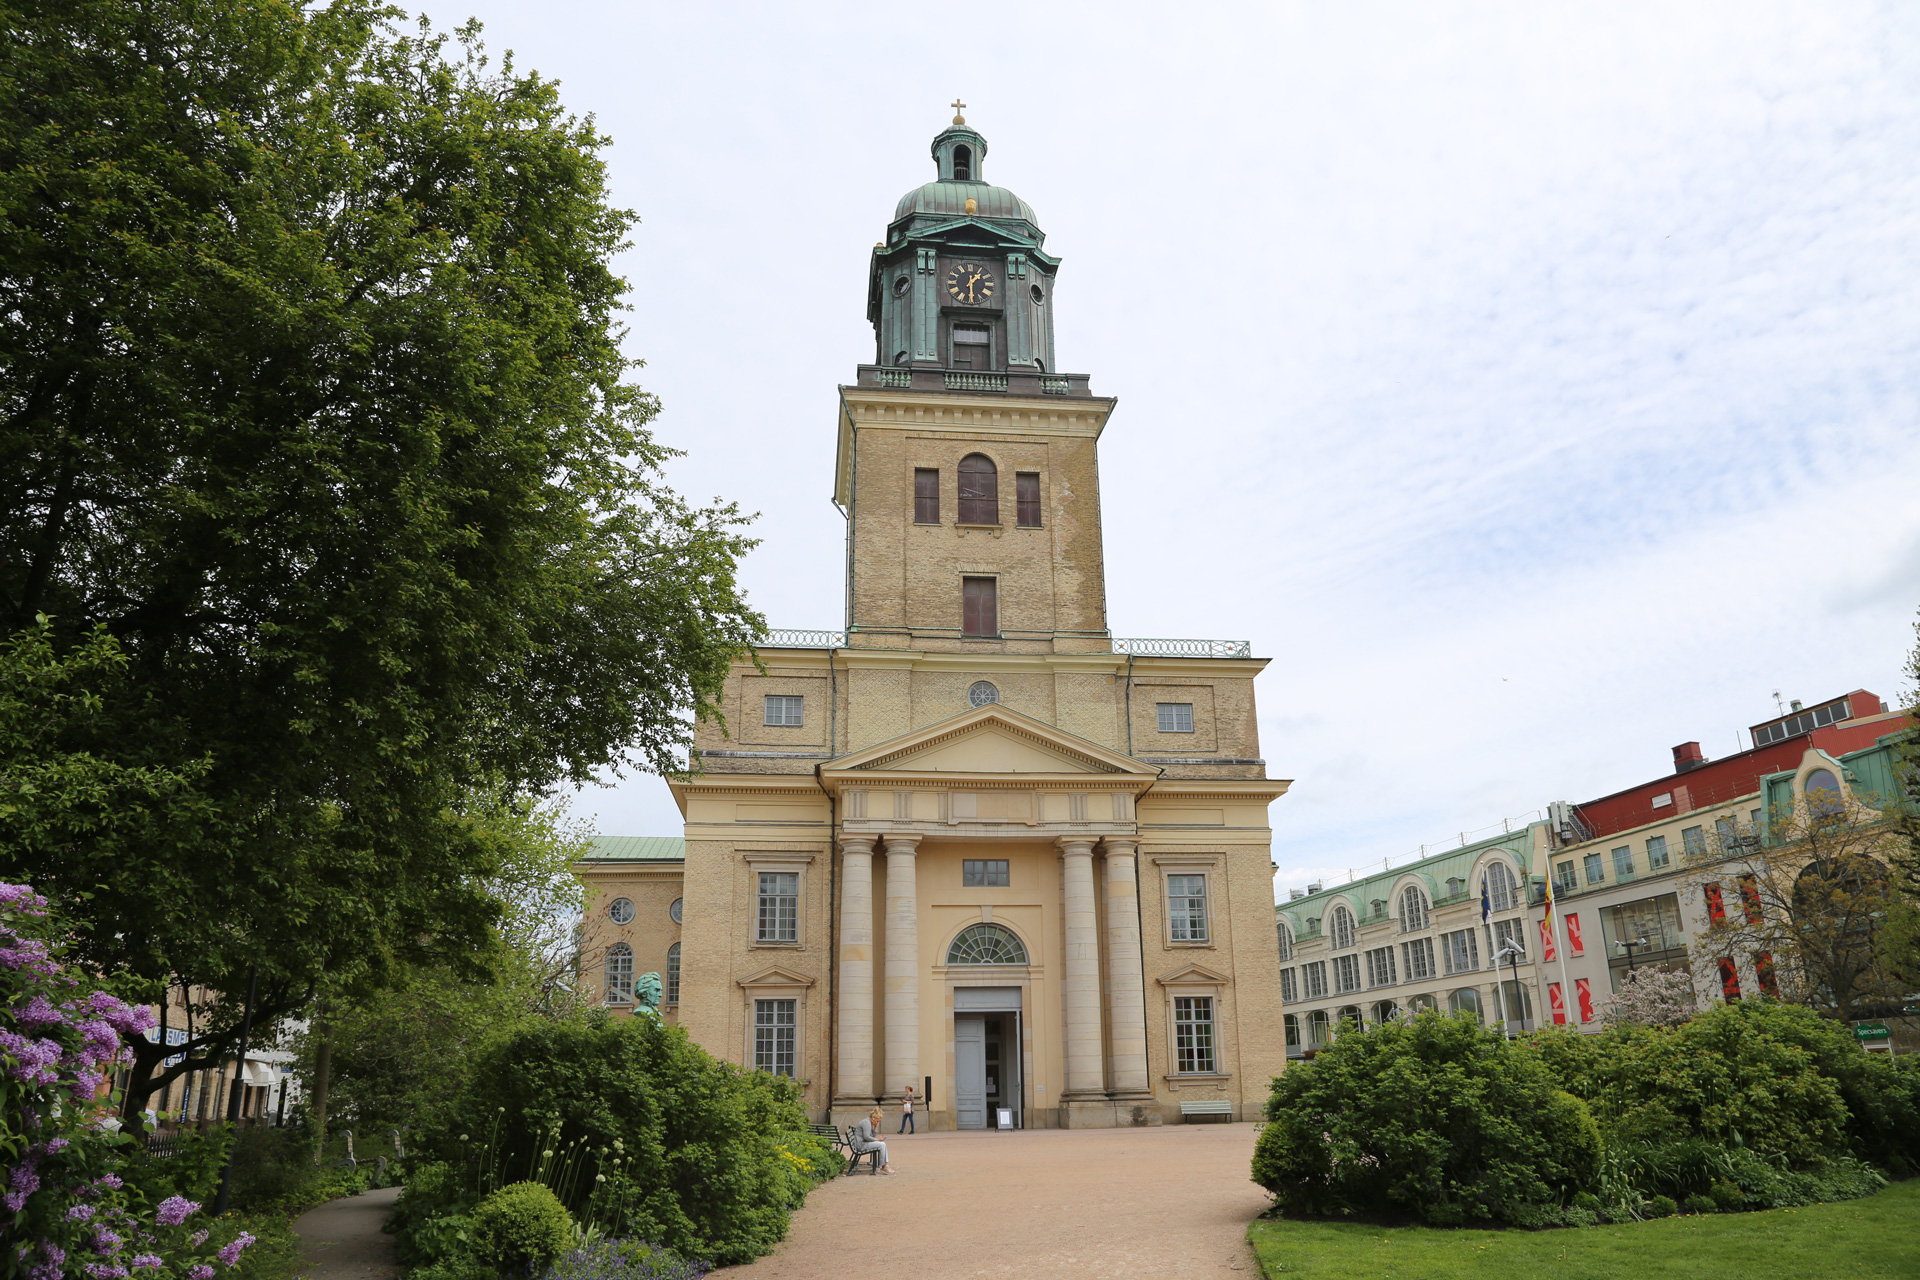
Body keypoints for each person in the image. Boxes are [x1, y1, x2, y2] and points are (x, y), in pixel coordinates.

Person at [853, 1107, 893, 1173]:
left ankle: (885, 1165)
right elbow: (867, 1137)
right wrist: (877, 1139)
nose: (878, 1122)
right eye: (877, 1121)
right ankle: (884, 1166)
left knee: (882, 1144)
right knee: (882, 1144)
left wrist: (876, 1127)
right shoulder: (866, 1123)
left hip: (863, 1143)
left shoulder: (869, 1123)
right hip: (861, 1145)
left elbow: (872, 1136)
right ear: (873, 1118)